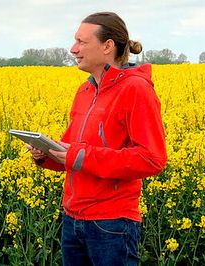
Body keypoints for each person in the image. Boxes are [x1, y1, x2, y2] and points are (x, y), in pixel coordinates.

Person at [28, 12, 167, 265]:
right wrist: (46, 153)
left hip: (111, 224)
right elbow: (70, 152)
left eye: (81, 42)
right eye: (75, 41)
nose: (73, 49)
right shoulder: (85, 90)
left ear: (107, 46)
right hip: (73, 219)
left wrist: (77, 155)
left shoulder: (135, 89)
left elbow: (152, 159)